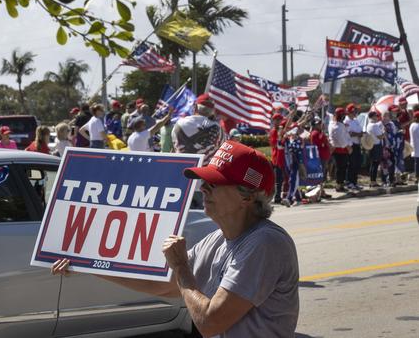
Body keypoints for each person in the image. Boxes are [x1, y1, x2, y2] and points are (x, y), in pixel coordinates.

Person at [52, 140, 299, 338]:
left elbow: (209, 321)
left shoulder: (264, 243)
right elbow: (167, 285)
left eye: (214, 183)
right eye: (204, 181)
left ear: (247, 197)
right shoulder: (218, 240)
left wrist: (181, 266)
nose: (203, 188)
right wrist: (88, 264)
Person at [172, 93, 225, 164]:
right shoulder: (217, 127)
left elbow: (174, 147)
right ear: (212, 111)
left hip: (181, 168)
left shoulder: (179, 124)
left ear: (195, 107)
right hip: (204, 172)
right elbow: (223, 150)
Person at [328, 107, 351, 192]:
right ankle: (339, 185)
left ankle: (340, 184)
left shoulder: (335, 124)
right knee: (340, 168)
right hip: (340, 149)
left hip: (340, 148)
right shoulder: (337, 126)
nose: (344, 116)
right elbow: (341, 139)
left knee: (342, 168)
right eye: (343, 115)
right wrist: (348, 147)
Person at [310, 117, 332, 196]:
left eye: (320, 123)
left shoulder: (319, 133)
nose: (320, 125)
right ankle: (319, 192)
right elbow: (322, 143)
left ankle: (321, 191)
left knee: (322, 175)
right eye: (318, 124)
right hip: (320, 157)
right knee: (320, 175)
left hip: (324, 157)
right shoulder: (316, 133)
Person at [344, 103, 363, 190]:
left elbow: (360, 131)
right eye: (354, 111)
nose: (355, 112)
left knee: (356, 164)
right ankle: (349, 182)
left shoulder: (356, 120)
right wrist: (358, 134)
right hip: (351, 145)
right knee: (351, 164)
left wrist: (361, 134)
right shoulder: (346, 121)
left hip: (358, 144)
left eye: (355, 111)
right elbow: (349, 133)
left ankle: (354, 182)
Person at [269, 113, 286, 204]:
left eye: (280, 119)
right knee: (278, 179)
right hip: (276, 158)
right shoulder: (274, 131)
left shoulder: (280, 130)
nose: (279, 121)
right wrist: (280, 136)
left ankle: (280, 195)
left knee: (282, 179)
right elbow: (274, 144)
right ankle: (277, 196)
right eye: (277, 120)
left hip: (282, 157)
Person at [366, 111, 385, 187]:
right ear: (373, 116)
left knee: (373, 164)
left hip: (371, 145)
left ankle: (372, 181)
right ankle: (373, 181)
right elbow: (380, 136)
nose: (377, 117)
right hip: (376, 145)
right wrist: (384, 132)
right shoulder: (374, 125)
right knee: (375, 164)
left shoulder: (369, 125)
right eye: (376, 116)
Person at [381, 111, 398, 187]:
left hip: (391, 146)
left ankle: (391, 180)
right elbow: (379, 135)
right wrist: (383, 132)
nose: (386, 117)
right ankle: (384, 180)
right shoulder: (380, 124)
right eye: (384, 115)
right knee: (385, 164)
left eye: (387, 115)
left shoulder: (391, 124)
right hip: (384, 147)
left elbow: (394, 133)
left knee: (392, 163)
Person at [409, 111, 419, 183]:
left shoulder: (412, 125)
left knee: (416, 163)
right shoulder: (417, 126)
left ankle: (416, 177)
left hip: (414, 147)